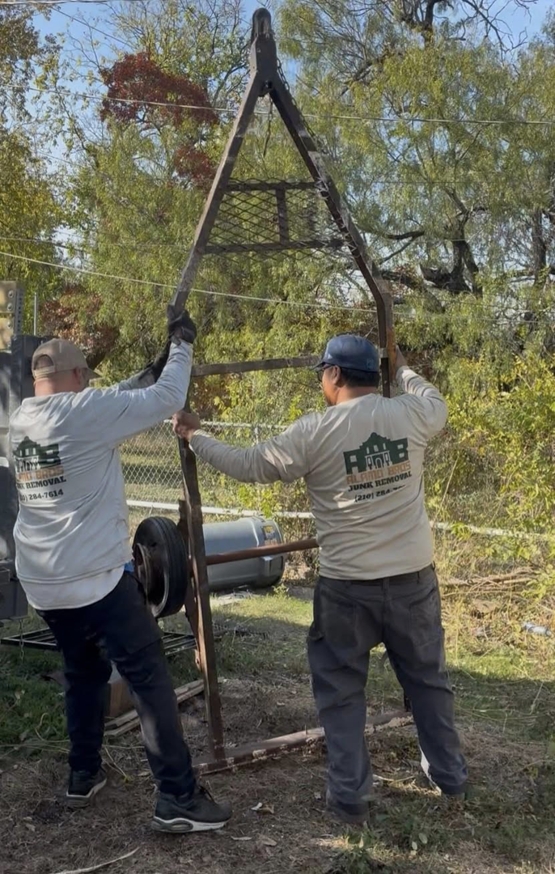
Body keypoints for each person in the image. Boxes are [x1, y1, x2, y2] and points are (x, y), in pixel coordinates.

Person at [172, 334, 468, 824]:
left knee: (342, 690)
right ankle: (450, 776)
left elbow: (250, 465)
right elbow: (434, 399)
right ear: (376, 376)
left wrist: (195, 436)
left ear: (334, 375)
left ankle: (351, 798)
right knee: (429, 681)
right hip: (414, 581)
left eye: (322, 375)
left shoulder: (316, 431)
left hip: (348, 588)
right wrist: (405, 368)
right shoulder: (413, 414)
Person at [9, 309, 231, 834]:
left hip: (41, 579)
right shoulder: (85, 411)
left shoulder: (21, 420)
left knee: (82, 672)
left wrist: (145, 372)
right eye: (88, 377)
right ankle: (177, 795)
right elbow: (165, 399)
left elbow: (119, 401)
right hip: (94, 578)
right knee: (148, 676)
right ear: (79, 378)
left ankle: (83, 774)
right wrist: (181, 346)